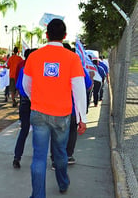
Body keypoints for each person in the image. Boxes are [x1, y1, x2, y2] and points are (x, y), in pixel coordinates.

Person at [23, 19, 87, 197]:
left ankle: (38, 195)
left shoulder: (34, 57)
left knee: (38, 158)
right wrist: (82, 119)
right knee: (60, 154)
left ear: (46, 35)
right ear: (65, 36)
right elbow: (79, 91)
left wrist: (35, 99)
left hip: (39, 113)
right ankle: (63, 182)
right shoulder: (72, 58)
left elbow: (26, 84)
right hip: (62, 116)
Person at [12, 48, 36, 169]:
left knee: (24, 131)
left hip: (24, 103)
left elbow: (18, 86)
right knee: (40, 131)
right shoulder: (38, 70)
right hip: (36, 104)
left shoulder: (23, 69)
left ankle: (17, 157)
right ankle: (46, 159)